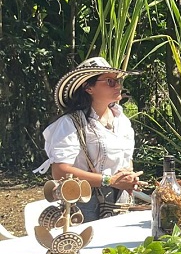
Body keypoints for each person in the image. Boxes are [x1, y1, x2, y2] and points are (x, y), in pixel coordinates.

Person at [35, 57, 143, 221]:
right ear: (88, 88)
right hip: (84, 208)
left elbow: (126, 160)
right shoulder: (70, 123)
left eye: (118, 80)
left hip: (120, 204)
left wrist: (128, 176)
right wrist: (109, 180)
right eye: (110, 81)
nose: (118, 85)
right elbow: (60, 171)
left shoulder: (122, 121)